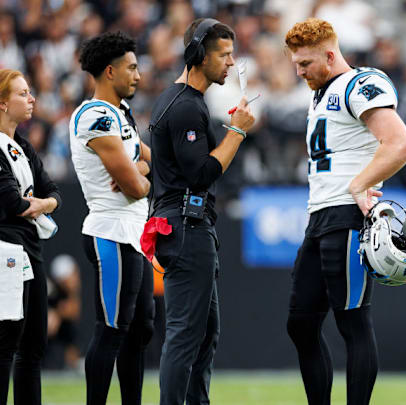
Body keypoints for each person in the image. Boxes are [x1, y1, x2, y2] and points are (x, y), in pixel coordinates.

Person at [284, 18, 406, 405]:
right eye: (296, 63)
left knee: (352, 321)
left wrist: (359, 184)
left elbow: (400, 144)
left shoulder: (360, 83)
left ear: (329, 55)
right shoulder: (321, 91)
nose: (299, 71)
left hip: (348, 216)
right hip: (320, 217)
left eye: (306, 63)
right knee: (301, 323)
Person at [149, 18, 254, 405]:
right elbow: (203, 172)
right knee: (185, 333)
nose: (230, 63)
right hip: (186, 226)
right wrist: (237, 132)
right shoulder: (186, 107)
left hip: (187, 225)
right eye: (223, 55)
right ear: (198, 55)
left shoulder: (182, 102)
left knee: (205, 331)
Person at [69, 32, 155, 405]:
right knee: (113, 329)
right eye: (132, 67)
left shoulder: (120, 113)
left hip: (134, 233)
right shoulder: (95, 116)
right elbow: (136, 187)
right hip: (111, 232)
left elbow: (150, 164)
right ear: (109, 71)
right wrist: (141, 177)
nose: (138, 75)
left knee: (140, 330)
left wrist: (140, 173)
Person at [0, 68, 61, 405]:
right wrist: (38, 204)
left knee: (34, 344)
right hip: (5, 251)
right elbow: (12, 203)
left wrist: (43, 203)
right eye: (22, 93)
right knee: (5, 341)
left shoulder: (21, 145)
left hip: (31, 250)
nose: (31, 98)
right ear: (2, 103)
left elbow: (53, 194)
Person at [46, 254, 82, 371]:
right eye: (73, 274)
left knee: (69, 329)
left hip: (61, 329)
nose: (76, 277)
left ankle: (73, 365)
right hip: (40, 331)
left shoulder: (68, 293)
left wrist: (57, 314)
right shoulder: (51, 290)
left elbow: (73, 312)